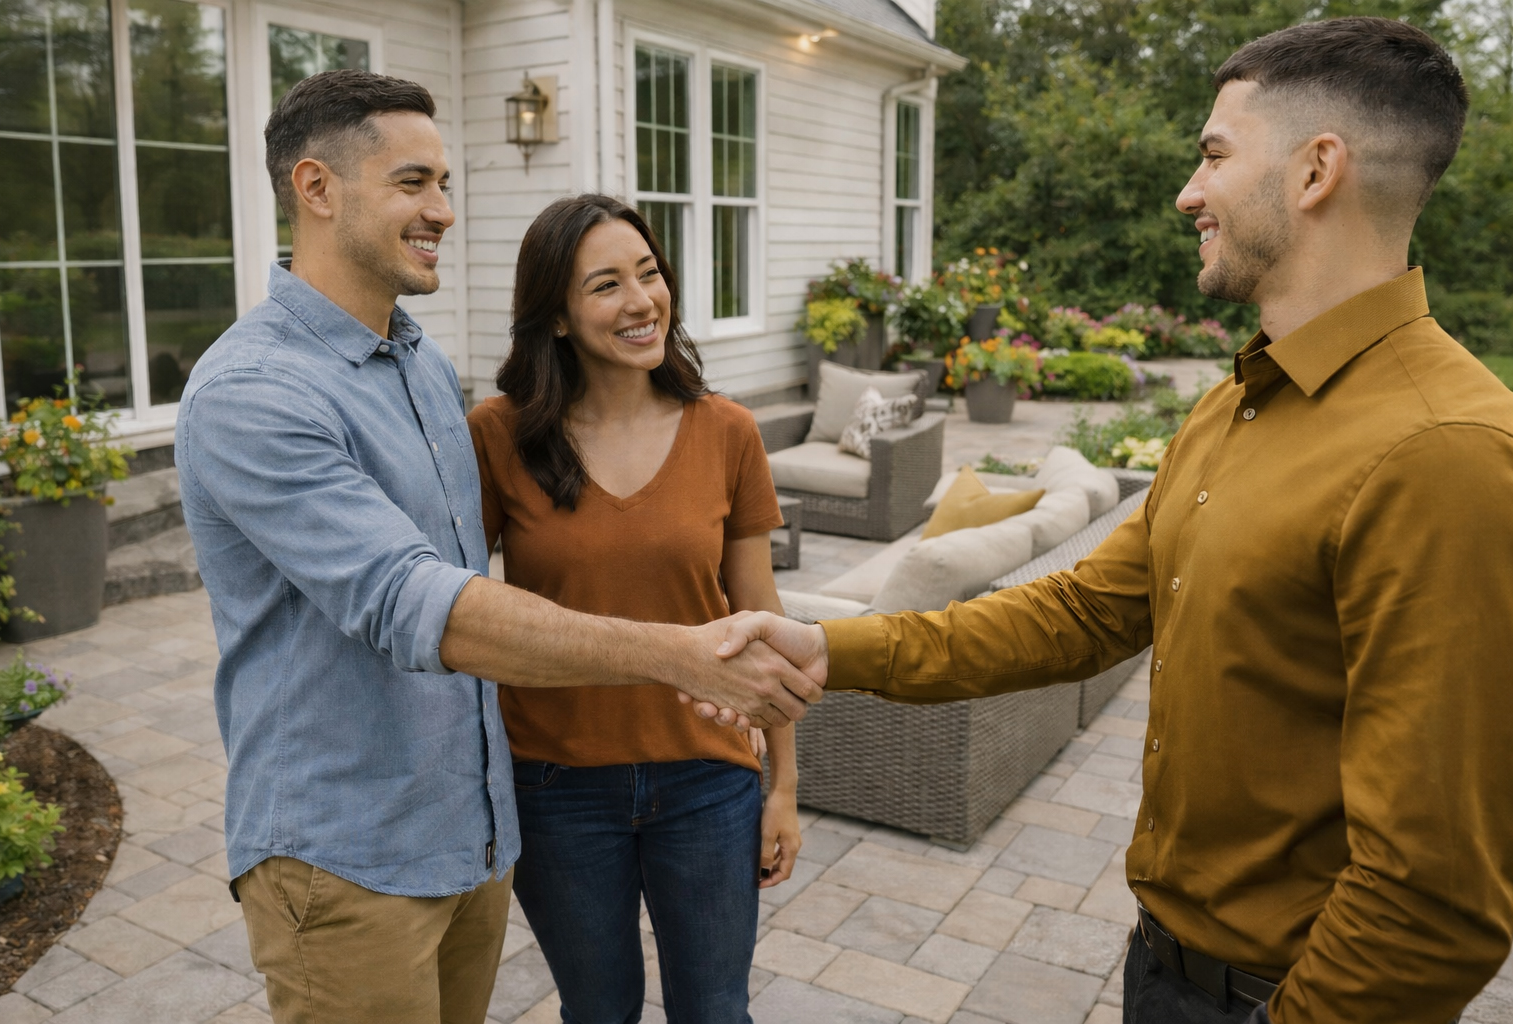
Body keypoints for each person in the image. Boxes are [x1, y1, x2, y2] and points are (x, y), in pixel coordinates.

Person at [699, 17, 1513, 1024]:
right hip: (1161, 968)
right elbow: (1082, 614)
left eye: (1214, 154)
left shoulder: (1446, 451)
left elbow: (1435, 895)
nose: (1189, 191)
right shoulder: (1235, 403)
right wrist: (825, 647)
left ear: (1316, 171)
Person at [175, 71, 819, 1024]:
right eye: (412, 183)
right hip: (346, 853)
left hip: (470, 837)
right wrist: (679, 653)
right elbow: (414, 600)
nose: (441, 210)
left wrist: (777, 775)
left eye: (444, 183)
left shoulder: (421, 366)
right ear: (317, 188)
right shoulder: (255, 392)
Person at [465, 193, 799, 1023]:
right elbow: (459, 612)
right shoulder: (498, 436)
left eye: (648, 273)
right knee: (599, 1011)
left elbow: (763, 619)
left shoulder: (727, 432)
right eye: (606, 284)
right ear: (556, 318)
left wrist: (784, 786)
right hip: (553, 786)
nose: (642, 300)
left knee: (715, 1010)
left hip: (708, 779)